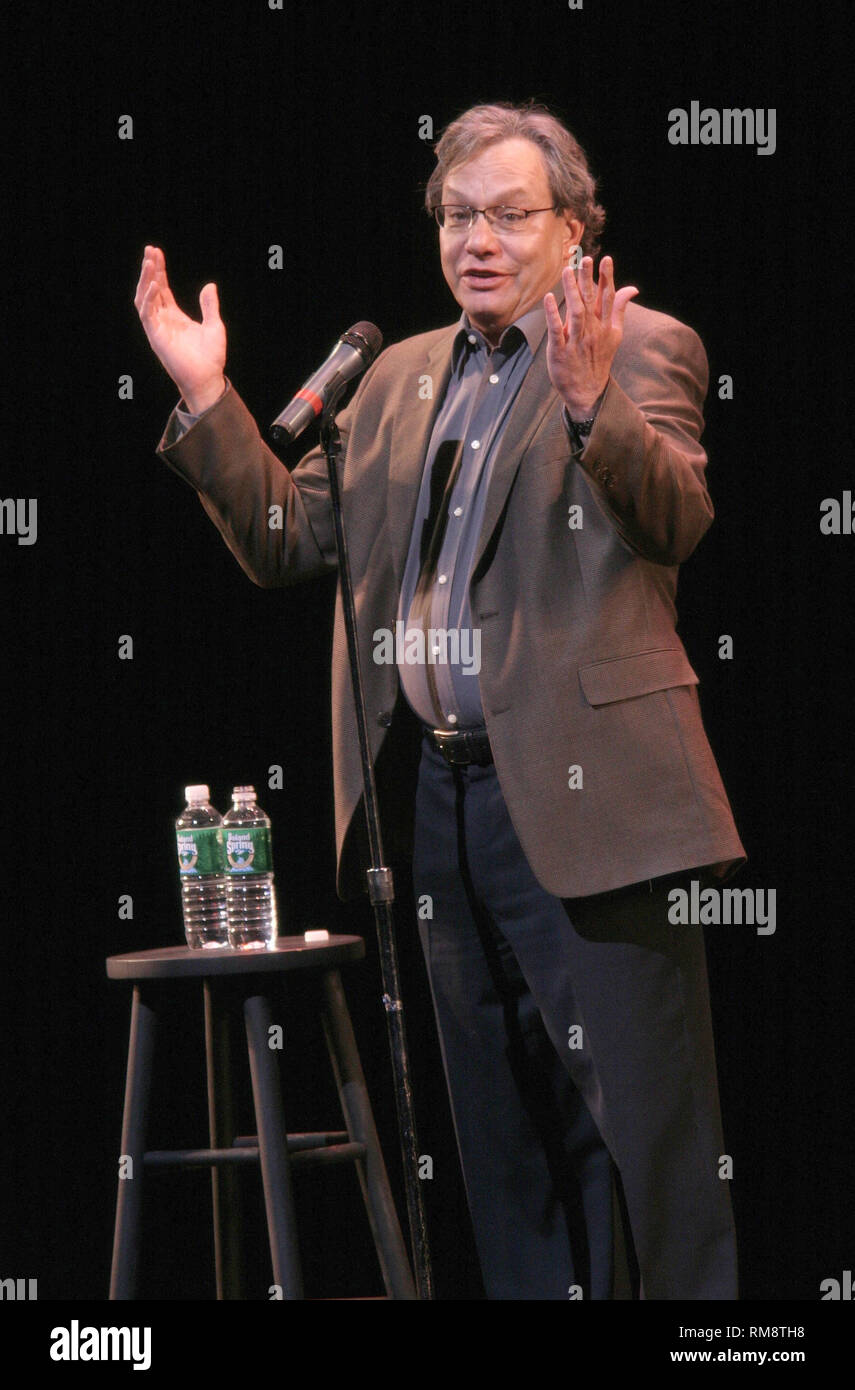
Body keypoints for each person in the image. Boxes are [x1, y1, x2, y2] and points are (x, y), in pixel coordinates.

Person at [135, 100, 746, 1300]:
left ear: (574, 228)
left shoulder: (640, 344)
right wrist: (214, 406)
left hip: (601, 810)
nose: (478, 239)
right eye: (457, 215)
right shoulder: (402, 375)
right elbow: (285, 538)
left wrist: (587, 402)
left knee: (653, 1147)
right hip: (444, 802)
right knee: (504, 1146)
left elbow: (676, 516)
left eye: (511, 215)